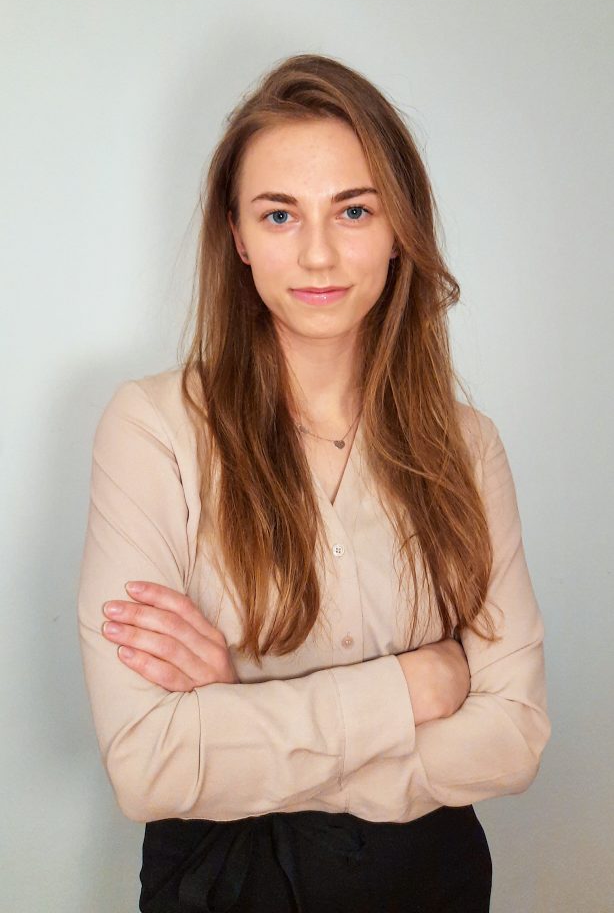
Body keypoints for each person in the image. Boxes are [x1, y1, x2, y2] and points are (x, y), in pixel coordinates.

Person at [77, 53, 551, 913]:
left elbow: (513, 735)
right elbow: (148, 765)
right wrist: (410, 690)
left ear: (399, 227)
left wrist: (241, 712)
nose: (320, 253)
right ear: (238, 235)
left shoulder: (469, 447)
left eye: (354, 210)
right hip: (224, 885)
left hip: (429, 884)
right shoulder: (153, 430)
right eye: (280, 214)